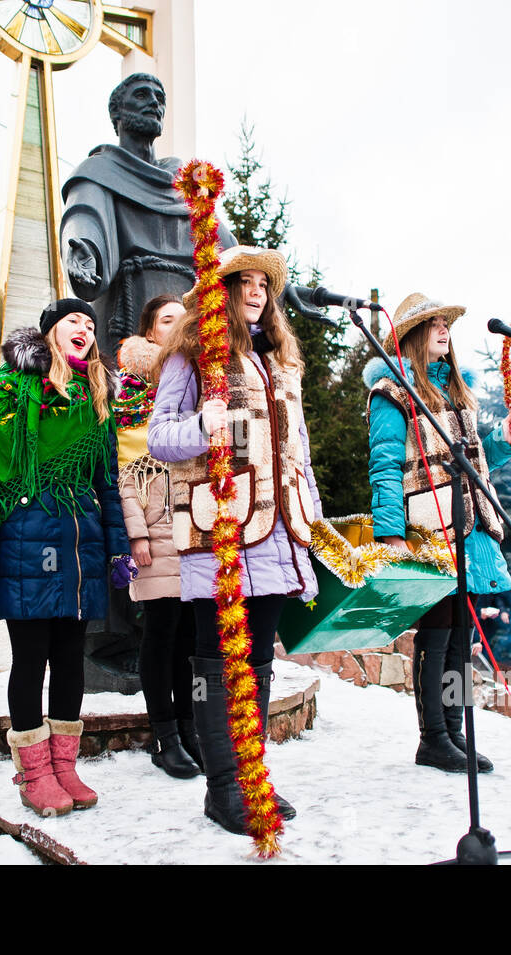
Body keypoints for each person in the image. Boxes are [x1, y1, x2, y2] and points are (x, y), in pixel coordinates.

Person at [148, 246, 319, 834]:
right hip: (220, 529)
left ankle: (253, 777)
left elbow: (296, 450)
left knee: (259, 662)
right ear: (219, 292)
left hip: (276, 534)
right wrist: (205, 426)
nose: (255, 291)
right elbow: (159, 437)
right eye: (242, 281)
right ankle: (223, 788)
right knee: (218, 661)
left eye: (262, 284)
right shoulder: (192, 356)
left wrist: (313, 519)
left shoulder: (278, 360)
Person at [0, 300, 134, 817]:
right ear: (50, 335)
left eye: (89, 323)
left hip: (79, 546)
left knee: (70, 660)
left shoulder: (96, 401)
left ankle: (65, 766)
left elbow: (107, 483)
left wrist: (119, 544)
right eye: (71, 322)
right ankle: (33, 772)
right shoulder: (10, 392)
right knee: (30, 658)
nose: (84, 328)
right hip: (25, 543)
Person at [365, 291, 511, 775]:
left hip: (469, 528)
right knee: (437, 636)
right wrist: (391, 532)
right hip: (427, 530)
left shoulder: (458, 396)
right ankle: (432, 737)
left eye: (445, 323)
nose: (442, 329)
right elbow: (385, 464)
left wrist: (501, 441)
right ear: (412, 335)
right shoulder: (394, 393)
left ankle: (454, 729)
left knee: (461, 638)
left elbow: (475, 465)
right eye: (431, 323)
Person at [60, 73, 234, 356]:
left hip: (189, 317)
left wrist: (277, 284)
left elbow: (229, 251)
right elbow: (84, 215)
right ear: (117, 111)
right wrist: (84, 252)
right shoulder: (100, 171)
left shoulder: (183, 183)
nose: (154, 103)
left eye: (160, 98)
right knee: (129, 394)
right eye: (141, 95)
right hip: (128, 311)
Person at [113, 293, 202, 778]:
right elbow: (127, 470)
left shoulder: (194, 378)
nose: (176, 327)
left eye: (181, 320)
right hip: (153, 527)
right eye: (167, 320)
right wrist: (137, 535)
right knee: (160, 632)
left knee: (191, 637)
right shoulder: (132, 389)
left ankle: (189, 727)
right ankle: (164, 733)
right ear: (150, 332)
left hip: (193, 526)